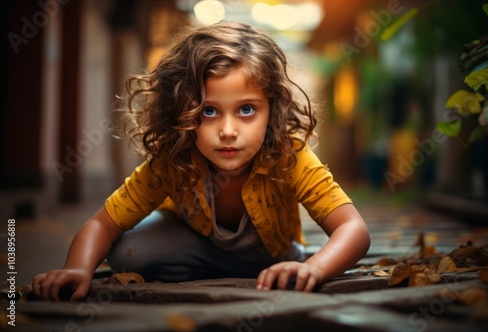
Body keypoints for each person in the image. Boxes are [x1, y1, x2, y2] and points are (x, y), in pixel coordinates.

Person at [32, 21, 370, 301]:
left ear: (273, 109)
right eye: (208, 111)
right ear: (182, 111)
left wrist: (313, 268)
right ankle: (222, 271)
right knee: (126, 254)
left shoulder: (288, 156)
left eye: (246, 110)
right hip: (197, 249)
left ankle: (283, 266)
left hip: (273, 256)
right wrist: (77, 268)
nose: (227, 131)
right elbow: (102, 224)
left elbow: (352, 229)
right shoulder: (173, 160)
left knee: (295, 261)